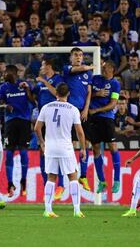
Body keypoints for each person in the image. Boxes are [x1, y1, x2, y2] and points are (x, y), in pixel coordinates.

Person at [35, 82, 86, 218]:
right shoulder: (73, 109)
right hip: (65, 148)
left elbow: (37, 128)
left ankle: (48, 210)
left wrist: (41, 142)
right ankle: (76, 210)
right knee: (73, 177)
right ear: (68, 93)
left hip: (50, 148)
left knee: (51, 178)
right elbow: (80, 132)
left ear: (56, 93)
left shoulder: (46, 107)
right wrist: (83, 148)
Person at [0, 64, 34, 197]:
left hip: (24, 121)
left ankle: (23, 180)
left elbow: (33, 101)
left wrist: (28, 90)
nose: (5, 75)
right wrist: (6, 105)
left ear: (14, 73)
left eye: (7, 73)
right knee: (9, 153)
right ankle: (10, 183)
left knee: (24, 152)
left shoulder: (25, 84)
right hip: (10, 123)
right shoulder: (3, 87)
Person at [32, 58, 65, 200]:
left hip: (57, 119)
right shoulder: (40, 82)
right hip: (44, 118)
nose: (41, 68)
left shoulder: (58, 79)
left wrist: (45, 82)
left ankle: (61, 186)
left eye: (43, 65)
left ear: (49, 66)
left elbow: (58, 94)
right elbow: (34, 96)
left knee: (59, 152)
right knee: (43, 152)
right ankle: (48, 187)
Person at [88, 61, 121, 193]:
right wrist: (97, 94)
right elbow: (87, 95)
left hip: (107, 118)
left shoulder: (115, 84)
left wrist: (97, 110)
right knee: (95, 148)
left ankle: (117, 180)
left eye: (106, 66)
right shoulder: (95, 79)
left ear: (112, 69)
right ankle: (102, 181)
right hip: (93, 119)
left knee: (112, 146)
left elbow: (113, 104)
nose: (103, 68)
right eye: (102, 66)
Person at [62, 47, 93, 191]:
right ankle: (67, 177)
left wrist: (86, 109)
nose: (78, 57)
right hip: (68, 111)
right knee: (70, 144)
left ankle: (84, 175)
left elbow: (88, 92)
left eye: (80, 55)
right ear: (71, 58)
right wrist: (91, 66)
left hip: (82, 112)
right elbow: (76, 69)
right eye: (76, 55)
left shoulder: (88, 73)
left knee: (85, 142)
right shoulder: (67, 69)